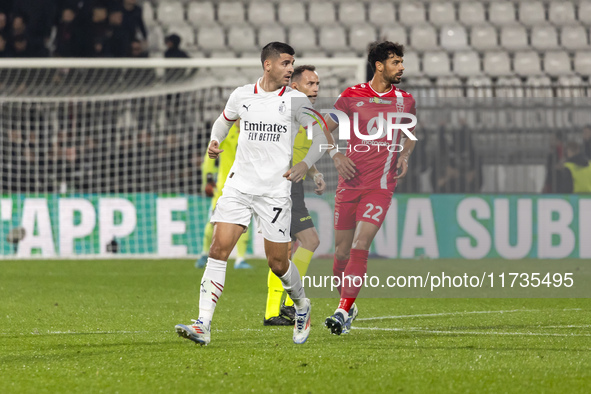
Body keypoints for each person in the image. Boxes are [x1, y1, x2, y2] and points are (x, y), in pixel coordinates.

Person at [175, 42, 326, 346]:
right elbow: (223, 121)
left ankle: (301, 305)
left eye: (292, 63)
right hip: (239, 185)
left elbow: (321, 133)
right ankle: (203, 323)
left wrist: (305, 164)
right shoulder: (242, 94)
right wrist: (215, 140)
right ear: (267, 65)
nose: (290, 69)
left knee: (278, 263)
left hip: (274, 191)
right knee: (218, 250)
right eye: (285, 63)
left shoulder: (296, 100)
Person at [320, 41, 417, 335]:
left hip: (380, 185)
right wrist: (335, 155)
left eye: (401, 62)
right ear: (379, 65)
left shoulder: (405, 100)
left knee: (361, 245)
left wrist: (404, 154)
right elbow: (324, 126)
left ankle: (341, 310)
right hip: (349, 185)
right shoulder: (352, 96)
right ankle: (347, 304)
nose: (401, 67)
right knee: (340, 254)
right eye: (396, 62)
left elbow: (410, 133)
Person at [264, 65, 326, 326]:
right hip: (282, 185)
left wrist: (314, 174)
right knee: (303, 242)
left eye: (317, 84)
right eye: (310, 83)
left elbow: (299, 152)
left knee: (293, 247)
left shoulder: (307, 115)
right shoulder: (285, 109)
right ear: (296, 86)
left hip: (294, 183)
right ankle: (283, 307)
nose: (315, 88)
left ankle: (281, 308)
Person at [195, 121, 252, 270]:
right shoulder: (227, 131)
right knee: (214, 220)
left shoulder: (253, 131)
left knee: (244, 221)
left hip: (246, 185)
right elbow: (210, 155)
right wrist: (207, 179)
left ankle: (240, 259)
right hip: (224, 186)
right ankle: (203, 253)